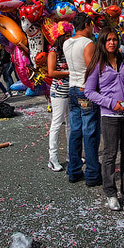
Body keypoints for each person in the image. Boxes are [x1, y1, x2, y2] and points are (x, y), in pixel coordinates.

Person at [84, 26, 124, 211]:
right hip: (110, 114)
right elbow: (89, 92)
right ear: (102, 42)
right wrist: (111, 103)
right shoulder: (97, 64)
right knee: (110, 154)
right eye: (108, 39)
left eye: (114, 39)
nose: (112, 42)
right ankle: (110, 192)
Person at [63, 13, 101, 187]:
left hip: (72, 88)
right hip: (85, 89)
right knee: (90, 132)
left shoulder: (67, 43)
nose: (92, 29)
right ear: (86, 25)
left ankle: (74, 170)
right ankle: (92, 173)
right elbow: (91, 69)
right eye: (91, 25)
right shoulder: (87, 43)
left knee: (75, 131)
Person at [46, 30, 71, 172]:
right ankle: (53, 158)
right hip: (58, 92)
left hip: (70, 90)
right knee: (56, 123)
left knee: (70, 124)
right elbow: (51, 72)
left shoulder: (68, 50)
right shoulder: (53, 52)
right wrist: (69, 73)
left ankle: (71, 154)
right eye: (67, 36)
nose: (69, 38)